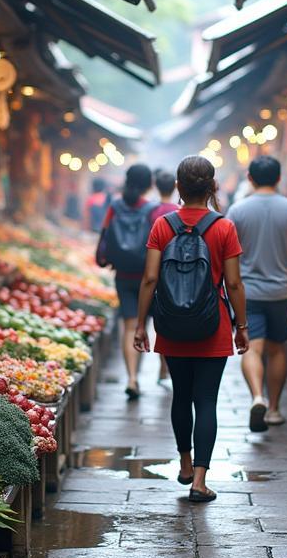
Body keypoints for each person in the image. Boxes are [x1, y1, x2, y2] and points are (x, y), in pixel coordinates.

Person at [133, 156, 248, 503]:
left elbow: (150, 278)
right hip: (213, 326)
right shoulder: (224, 227)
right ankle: (199, 480)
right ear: (212, 187)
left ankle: (184, 463)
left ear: (179, 187)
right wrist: (241, 327)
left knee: (180, 396)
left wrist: (141, 325)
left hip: (171, 325)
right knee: (207, 401)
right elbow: (234, 283)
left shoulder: (162, 226)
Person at [228, 156, 287, 430]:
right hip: (281, 291)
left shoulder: (237, 211)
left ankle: (256, 396)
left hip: (247, 291)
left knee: (251, 347)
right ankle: (274, 409)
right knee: (277, 349)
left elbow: (227, 251)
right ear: (278, 178)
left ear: (250, 178)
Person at [97, 164, 154, 399]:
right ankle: (135, 374)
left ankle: (132, 377)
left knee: (129, 326)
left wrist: (102, 258)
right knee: (143, 325)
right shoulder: (152, 210)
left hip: (122, 276)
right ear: (148, 184)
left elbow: (104, 236)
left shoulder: (115, 205)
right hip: (146, 277)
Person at [148, 169, 179, 386]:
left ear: (156, 186)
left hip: (155, 272)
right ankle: (169, 363)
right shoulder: (178, 212)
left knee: (162, 320)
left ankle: (162, 364)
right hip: (176, 273)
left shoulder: (151, 211)